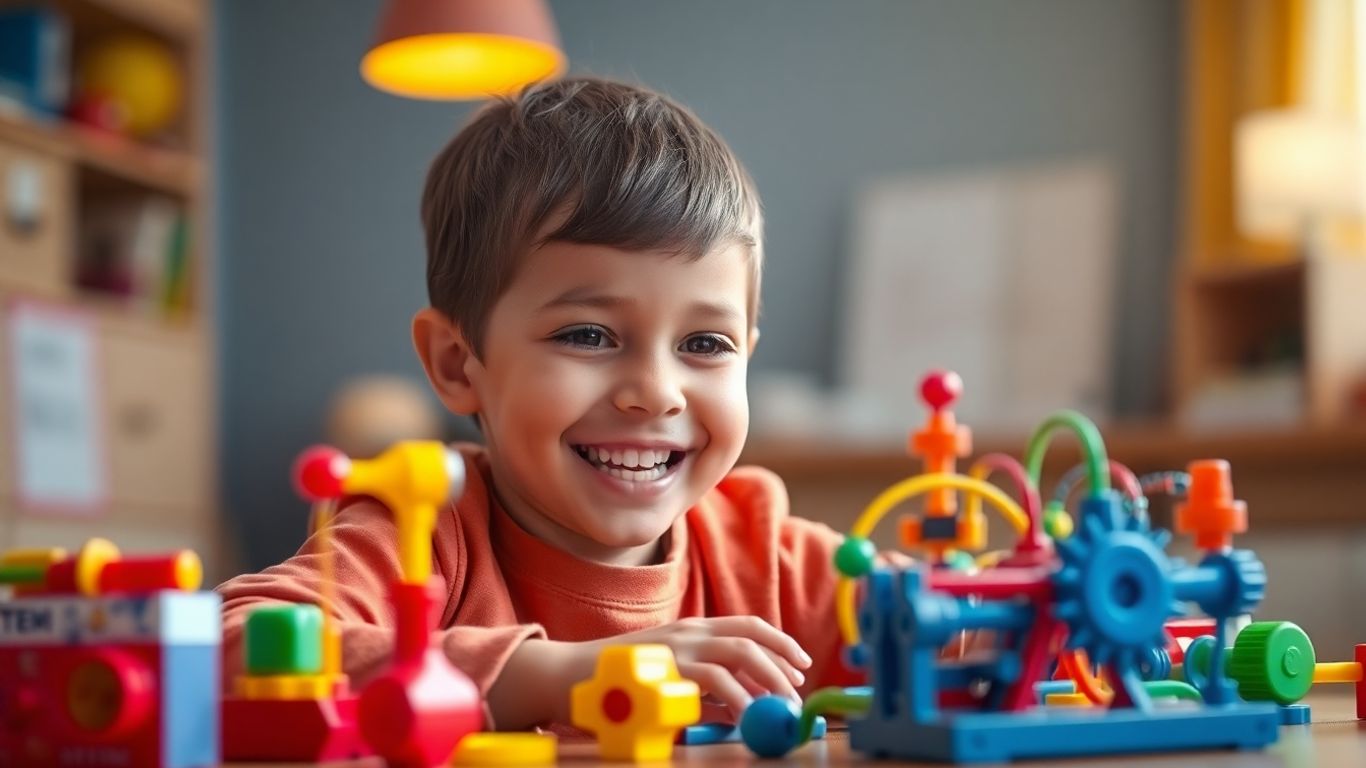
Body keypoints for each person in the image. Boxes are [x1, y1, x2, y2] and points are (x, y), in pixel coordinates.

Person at [218, 76, 876, 730]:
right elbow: (226, 651)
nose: (656, 392)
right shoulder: (421, 533)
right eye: (587, 335)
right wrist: (562, 675)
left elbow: (929, 627)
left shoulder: (764, 556)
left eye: (705, 343)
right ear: (457, 363)